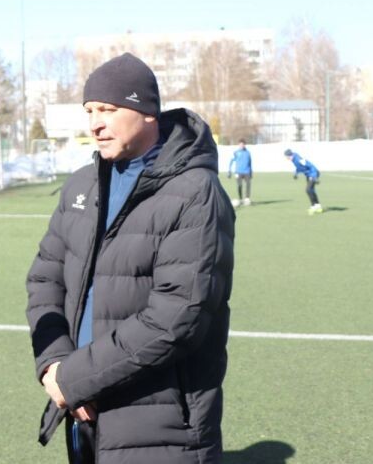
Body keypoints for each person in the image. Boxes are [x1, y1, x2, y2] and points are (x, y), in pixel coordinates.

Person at [26, 52, 235, 464]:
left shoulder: (196, 192)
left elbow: (177, 318)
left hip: (162, 425)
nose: (95, 123)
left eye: (108, 109)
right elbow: (44, 279)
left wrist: (75, 378)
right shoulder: (82, 185)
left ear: (147, 112)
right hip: (81, 412)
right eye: (89, 111)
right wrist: (54, 364)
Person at [284, 148, 322, 214]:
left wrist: (313, 177)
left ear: (290, 155)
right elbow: (299, 167)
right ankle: (318, 206)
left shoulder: (299, 159)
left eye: (287, 157)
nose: (286, 158)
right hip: (309, 175)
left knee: (308, 190)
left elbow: (311, 166)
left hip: (313, 173)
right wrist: (296, 173)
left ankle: (313, 206)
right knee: (311, 190)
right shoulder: (294, 160)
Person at [228, 139, 253, 207]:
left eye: (243, 144)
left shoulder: (248, 153)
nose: (242, 145)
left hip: (247, 171)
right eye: (240, 144)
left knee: (248, 184)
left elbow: (250, 163)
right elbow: (231, 161)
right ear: (239, 145)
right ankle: (241, 198)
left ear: (245, 145)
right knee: (239, 185)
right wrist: (229, 171)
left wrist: (251, 172)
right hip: (238, 172)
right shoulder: (236, 152)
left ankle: (247, 198)